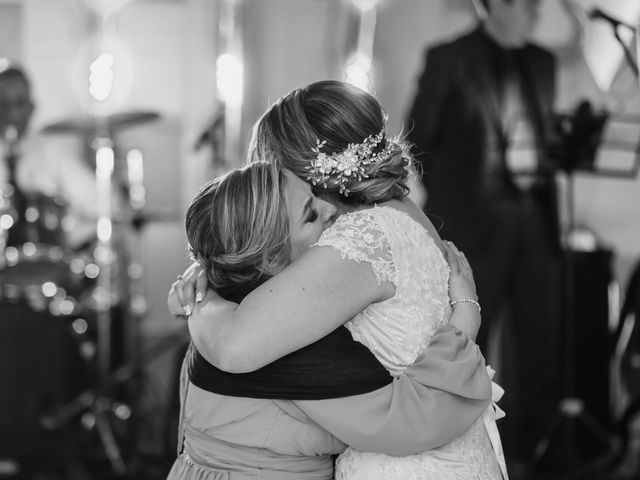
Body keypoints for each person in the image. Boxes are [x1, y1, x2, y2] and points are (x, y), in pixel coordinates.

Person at [172, 80, 507, 479]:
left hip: (402, 459)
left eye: (275, 172)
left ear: (307, 172)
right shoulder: (397, 210)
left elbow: (234, 344)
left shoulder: (356, 240)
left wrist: (204, 297)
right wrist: (214, 267)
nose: (268, 185)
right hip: (445, 446)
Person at [405, 0, 562, 463]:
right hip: (473, 226)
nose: (535, 14)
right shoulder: (448, 57)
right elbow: (418, 138)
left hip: (534, 222)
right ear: (497, 6)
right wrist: (454, 203)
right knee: (469, 339)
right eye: (528, 5)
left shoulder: (543, 62)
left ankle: (529, 452)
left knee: (540, 341)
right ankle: (466, 447)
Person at [0, 59, 98, 250]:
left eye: (18, 103)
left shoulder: (54, 153)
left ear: (31, 107)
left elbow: (101, 204)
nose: (12, 114)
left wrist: (73, 242)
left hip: (50, 268)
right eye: (3, 103)